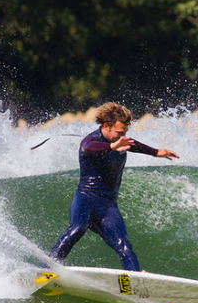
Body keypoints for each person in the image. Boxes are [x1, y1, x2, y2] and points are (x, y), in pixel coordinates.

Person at [49, 102, 179, 271]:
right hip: (86, 198)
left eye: (125, 133)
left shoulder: (120, 140)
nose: (122, 137)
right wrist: (111, 146)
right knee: (77, 228)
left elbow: (134, 145)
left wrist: (157, 152)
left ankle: (135, 279)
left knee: (123, 244)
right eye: (119, 132)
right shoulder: (92, 141)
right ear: (106, 126)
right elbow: (87, 147)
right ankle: (47, 268)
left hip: (108, 205)